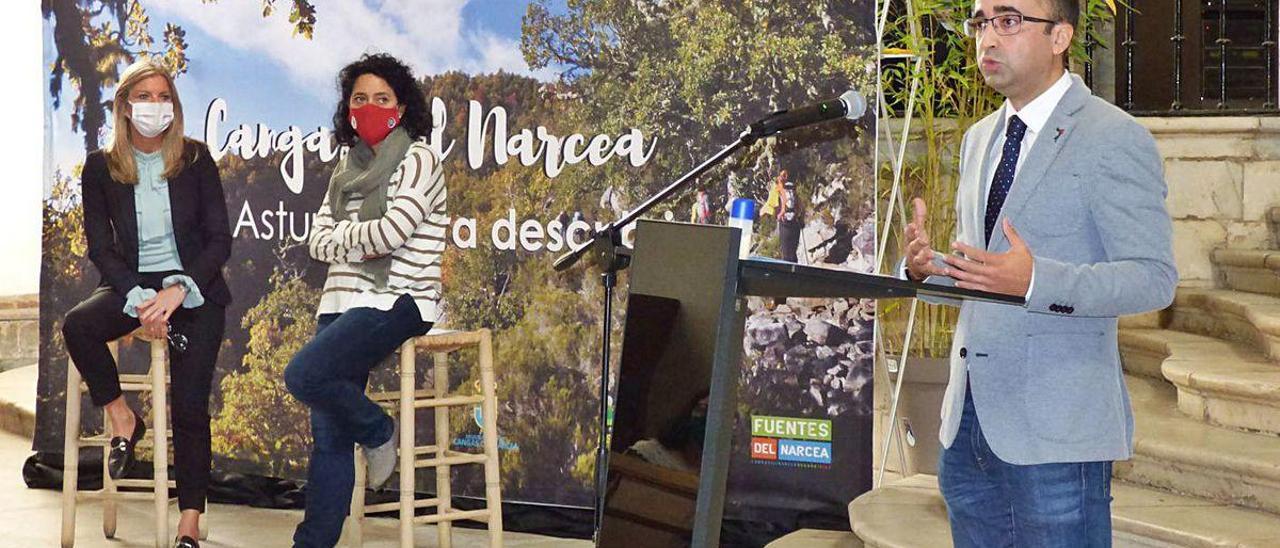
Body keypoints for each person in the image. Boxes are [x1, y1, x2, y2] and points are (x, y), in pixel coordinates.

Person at [899, 1, 1176, 546]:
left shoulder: (1112, 137)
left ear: (1060, 37)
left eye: (1008, 21)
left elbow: (1153, 278)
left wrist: (1035, 280)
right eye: (980, 23)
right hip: (967, 425)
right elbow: (987, 275)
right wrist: (926, 271)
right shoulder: (981, 138)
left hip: (1056, 434)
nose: (987, 39)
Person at [62, 58, 231, 548]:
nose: (155, 106)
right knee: (77, 325)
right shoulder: (100, 167)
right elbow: (102, 248)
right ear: (124, 105)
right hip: (131, 284)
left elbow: (219, 240)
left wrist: (178, 291)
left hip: (193, 287)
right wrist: (139, 299)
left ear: (174, 107)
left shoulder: (196, 159)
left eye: (164, 97)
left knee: (190, 405)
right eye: (145, 96)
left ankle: (190, 523)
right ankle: (122, 418)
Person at [284, 53, 446, 548]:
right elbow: (316, 241)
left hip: (396, 298)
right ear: (347, 108)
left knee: (304, 375)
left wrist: (347, 237)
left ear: (402, 106)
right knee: (329, 438)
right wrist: (360, 238)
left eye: (382, 98)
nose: (370, 106)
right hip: (338, 300)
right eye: (360, 98)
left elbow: (395, 234)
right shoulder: (344, 169)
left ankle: (378, 430)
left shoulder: (420, 158)